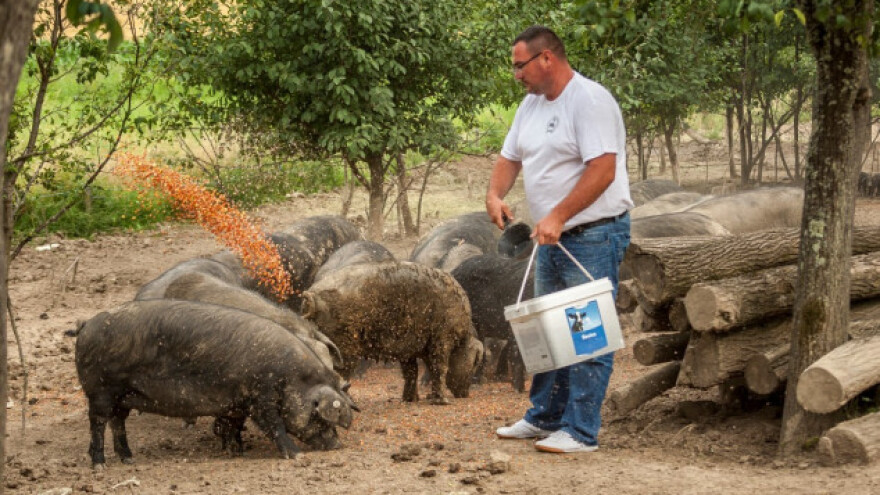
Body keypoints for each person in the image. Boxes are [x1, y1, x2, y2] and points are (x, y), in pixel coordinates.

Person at [486, 25, 632, 453]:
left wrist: (560, 215)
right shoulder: (530, 106)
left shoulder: (589, 101)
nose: (516, 74)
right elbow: (509, 157)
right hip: (549, 236)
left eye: (520, 65)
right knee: (549, 329)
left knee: (586, 331)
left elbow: (603, 170)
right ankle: (545, 417)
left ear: (546, 58)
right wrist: (495, 194)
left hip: (592, 234)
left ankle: (581, 430)